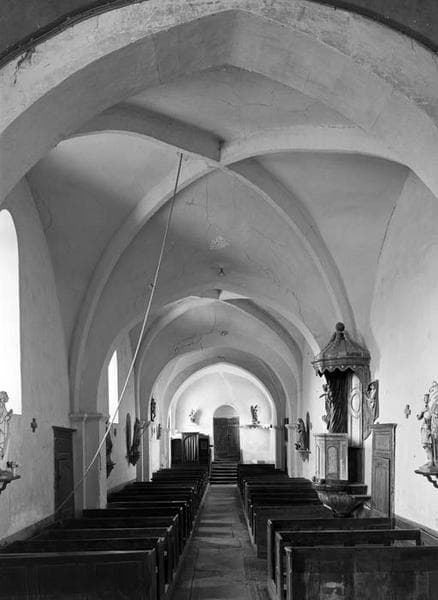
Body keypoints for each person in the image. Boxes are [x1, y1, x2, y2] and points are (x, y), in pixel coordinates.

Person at [417, 393, 434, 468]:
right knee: (425, 445)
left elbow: (432, 417)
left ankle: (431, 461)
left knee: (427, 445)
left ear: (429, 399)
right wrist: (422, 411)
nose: (425, 399)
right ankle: (430, 460)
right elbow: (419, 418)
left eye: (426, 398)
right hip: (424, 428)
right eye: (424, 398)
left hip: (429, 428)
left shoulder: (432, 407)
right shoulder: (425, 407)